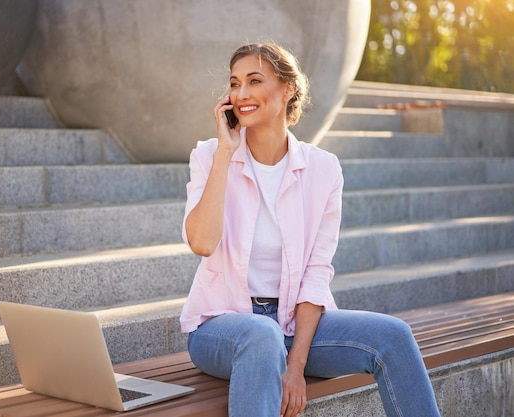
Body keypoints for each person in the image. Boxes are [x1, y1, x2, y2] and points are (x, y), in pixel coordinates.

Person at [179, 42, 441, 417]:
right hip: (223, 328)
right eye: (234, 84)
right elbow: (202, 243)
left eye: (255, 81)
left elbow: (316, 273)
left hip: (292, 324)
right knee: (261, 334)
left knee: (393, 337)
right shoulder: (209, 155)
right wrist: (225, 152)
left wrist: (296, 366)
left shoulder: (323, 169)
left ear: (287, 89)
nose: (241, 94)